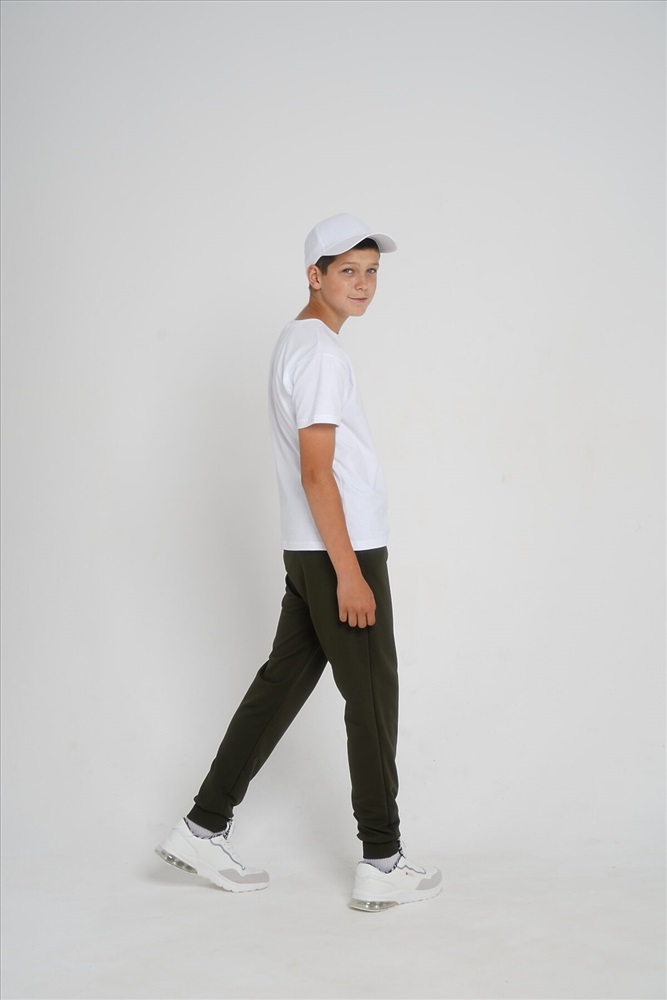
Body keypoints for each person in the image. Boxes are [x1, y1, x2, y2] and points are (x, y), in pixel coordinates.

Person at [156, 213, 442, 911]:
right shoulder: (319, 354)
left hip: (311, 548)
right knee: (372, 700)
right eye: (347, 271)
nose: (363, 284)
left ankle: (202, 826)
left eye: (371, 272)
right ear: (315, 276)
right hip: (340, 550)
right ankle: (382, 860)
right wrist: (350, 573)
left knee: (280, 686)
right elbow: (318, 473)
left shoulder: (299, 340)